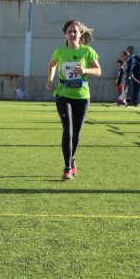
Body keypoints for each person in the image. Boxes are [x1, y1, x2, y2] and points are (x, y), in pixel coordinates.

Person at [46, 20, 101, 180]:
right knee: (67, 130)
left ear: (80, 34)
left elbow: (98, 70)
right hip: (63, 94)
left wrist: (85, 70)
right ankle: (67, 167)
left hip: (82, 96)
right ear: (66, 34)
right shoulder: (60, 51)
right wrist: (50, 80)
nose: (72, 34)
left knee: (76, 132)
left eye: (74, 31)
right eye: (69, 31)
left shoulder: (87, 51)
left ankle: (72, 157)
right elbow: (52, 65)